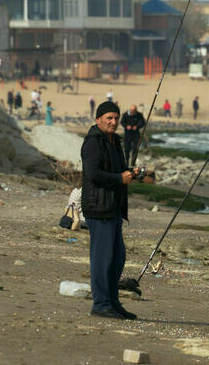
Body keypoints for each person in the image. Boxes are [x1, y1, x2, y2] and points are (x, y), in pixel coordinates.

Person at [81, 101, 140, 320]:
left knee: (117, 258)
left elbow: (117, 172)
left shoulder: (115, 142)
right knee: (102, 258)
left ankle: (113, 303)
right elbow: (93, 174)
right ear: (98, 120)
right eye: (109, 118)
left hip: (114, 208)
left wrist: (129, 173)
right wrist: (119, 178)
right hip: (98, 208)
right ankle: (101, 304)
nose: (114, 122)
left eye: (116, 118)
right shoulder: (92, 143)